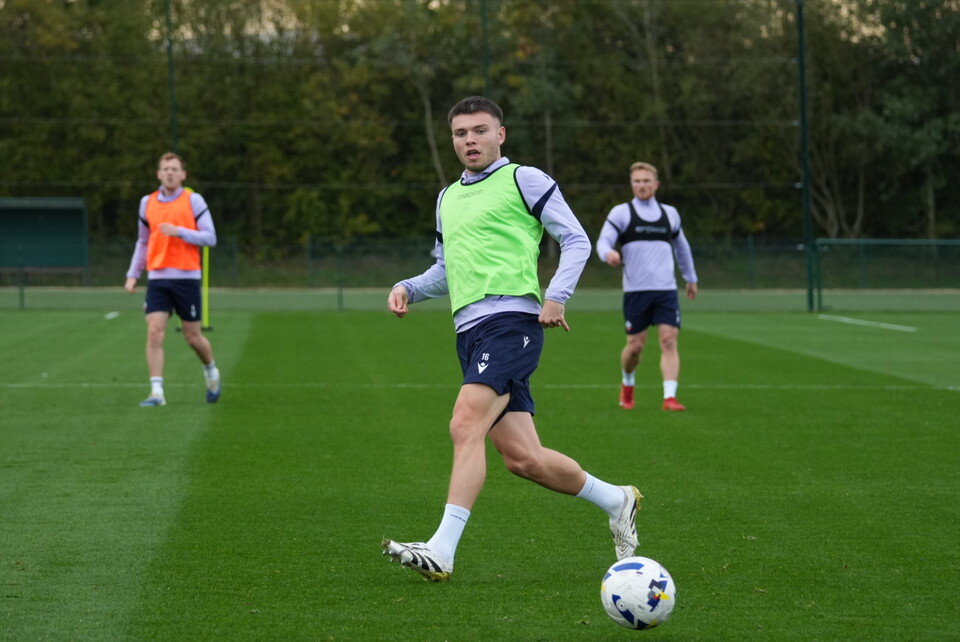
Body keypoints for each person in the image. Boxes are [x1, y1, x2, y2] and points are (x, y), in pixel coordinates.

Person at [383, 96, 642, 582]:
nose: (469, 140)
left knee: (465, 424)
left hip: (512, 324)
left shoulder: (526, 178)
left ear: (500, 134)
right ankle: (617, 498)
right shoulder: (446, 198)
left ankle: (442, 549)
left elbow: (577, 239)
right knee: (524, 459)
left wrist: (556, 296)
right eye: (460, 134)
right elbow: (445, 269)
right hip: (469, 333)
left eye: (479, 130)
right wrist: (408, 288)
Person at [596, 161, 698, 412]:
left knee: (669, 340)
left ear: (656, 184)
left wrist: (691, 277)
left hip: (665, 290)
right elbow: (602, 242)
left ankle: (670, 397)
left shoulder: (670, 214)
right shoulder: (621, 213)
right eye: (637, 181)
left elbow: (682, 248)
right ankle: (628, 383)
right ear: (632, 184)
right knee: (635, 347)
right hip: (636, 292)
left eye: (646, 181)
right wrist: (608, 254)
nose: (641, 185)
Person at [124, 152, 221, 407]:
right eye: (165, 168)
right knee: (154, 332)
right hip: (157, 278)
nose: (170, 173)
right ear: (158, 174)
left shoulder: (194, 201)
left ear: (183, 174)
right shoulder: (148, 203)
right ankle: (157, 393)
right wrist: (133, 274)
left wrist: (179, 232)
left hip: (187, 277)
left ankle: (211, 371)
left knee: (192, 337)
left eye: (174, 169)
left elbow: (210, 238)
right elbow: (143, 242)